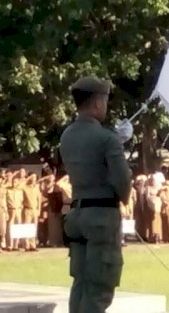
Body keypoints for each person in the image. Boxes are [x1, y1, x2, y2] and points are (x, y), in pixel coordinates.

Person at [59, 76, 133, 313]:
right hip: (102, 215)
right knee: (100, 286)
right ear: (98, 103)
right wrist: (118, 143)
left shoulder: (67, 135)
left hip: (77, 212)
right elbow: (123, 180)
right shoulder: (107, 138)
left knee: (80, 283)